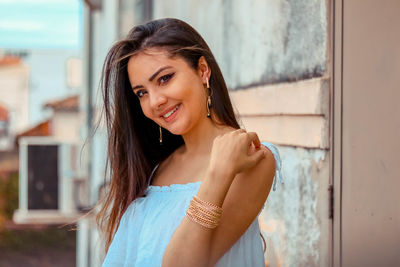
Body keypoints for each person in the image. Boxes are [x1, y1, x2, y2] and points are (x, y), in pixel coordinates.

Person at [98, 18, 283, 267]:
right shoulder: (155, 170)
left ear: (203, 70)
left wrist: (219, 173)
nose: (154, 102)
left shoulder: (253, 159)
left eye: (164, 79)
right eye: (142, 92)